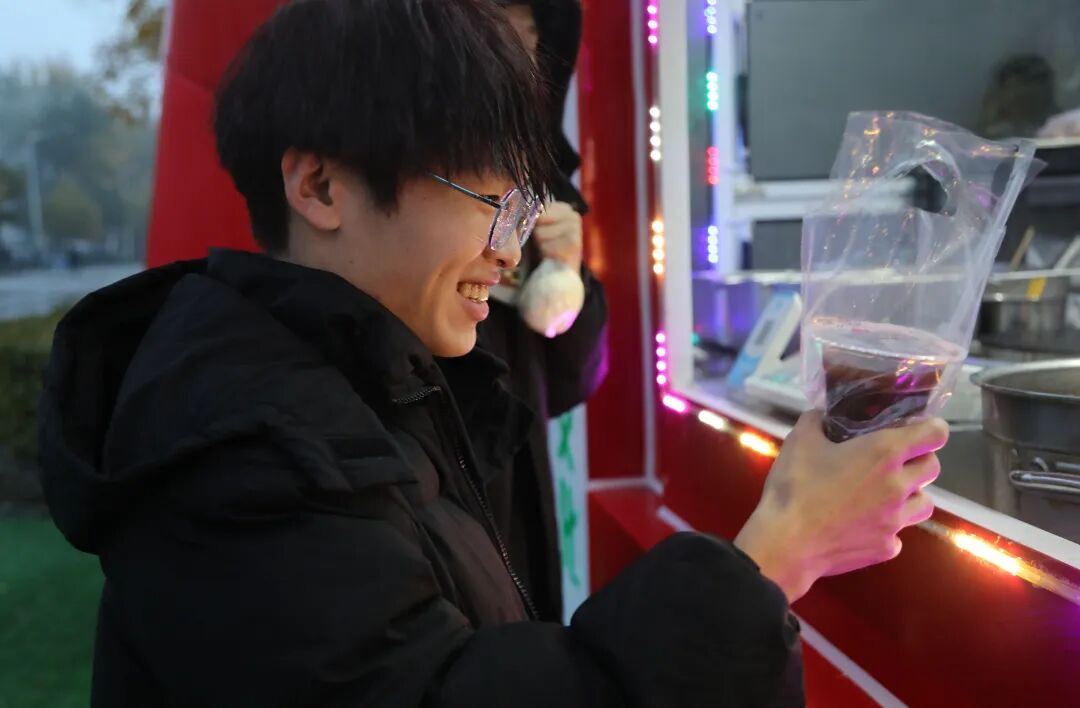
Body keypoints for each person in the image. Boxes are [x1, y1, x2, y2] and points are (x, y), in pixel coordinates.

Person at [37, 1, 946, 706]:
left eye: (525, 209)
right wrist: (777, 548)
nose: (510, 253)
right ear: (320, 185)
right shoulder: (244, 450)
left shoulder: (363, 373)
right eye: (492, 203)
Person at [478, 0, 605, 623]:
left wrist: (569, 273)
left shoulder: (545, 183)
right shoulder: (418, 176)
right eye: (493, 36)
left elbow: (575, 377)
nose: (513, 62)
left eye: (528, 43)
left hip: (519, 452)